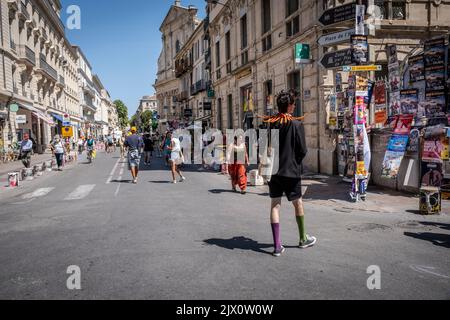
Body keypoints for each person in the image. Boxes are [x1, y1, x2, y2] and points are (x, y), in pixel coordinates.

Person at [266, 90, 316, 257]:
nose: (295, 106)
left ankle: (277, 246)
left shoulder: (272, 123)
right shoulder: (296, 124)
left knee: (275, 206)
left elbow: (270, 147)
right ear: (288, 106)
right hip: (291, 171)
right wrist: (296, 162)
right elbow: (302, 149)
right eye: (293, 104)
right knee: (298, 204)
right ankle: (302, 239)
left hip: (274, 171)